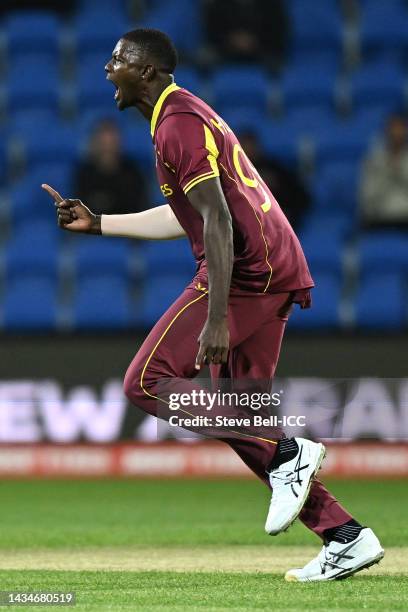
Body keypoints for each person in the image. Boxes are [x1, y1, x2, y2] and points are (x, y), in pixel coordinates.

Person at [42, 28, 383, 582]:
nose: (108, 68)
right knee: (236, 413)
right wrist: (99, 223)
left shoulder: (176, 125)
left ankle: (289, 450)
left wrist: (219, 315)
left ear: (148, 71)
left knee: (146, 383)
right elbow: (192, 215)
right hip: (274, 267)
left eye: (119, 59)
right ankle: (346, 536)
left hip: (250, 273)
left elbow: (219, 222)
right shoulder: (177, 118)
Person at [238, 129, 310, 232]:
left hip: (277, 225)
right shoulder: (230, 173)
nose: (248, 149)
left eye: (251, 145)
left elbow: (300, 196)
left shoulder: (274, 170)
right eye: (243, 145)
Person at [74, 119, 147, 216]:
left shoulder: (133, 172)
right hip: (92, 229)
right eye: (103, 144)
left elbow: (140, 210)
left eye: (111, 143)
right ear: (95, 144)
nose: (108, 148)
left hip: (127, 228)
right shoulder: (84, 174)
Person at [203, 0, 289, 70]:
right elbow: (212, 34)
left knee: (277, 63)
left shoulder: (272, 4)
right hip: (225, 52)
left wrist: (254, 41)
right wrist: (232, 40)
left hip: (263, 51)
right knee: (205, 59)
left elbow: (278, 34)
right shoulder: (219, 4)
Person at [360, 113, 408, 230]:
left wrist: (400, 171)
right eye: (393, 130)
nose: (396, 134)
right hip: (379, 219)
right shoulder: (373, 161)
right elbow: (366, 198)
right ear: (386, 132)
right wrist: (386, 172)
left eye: (400, 129)